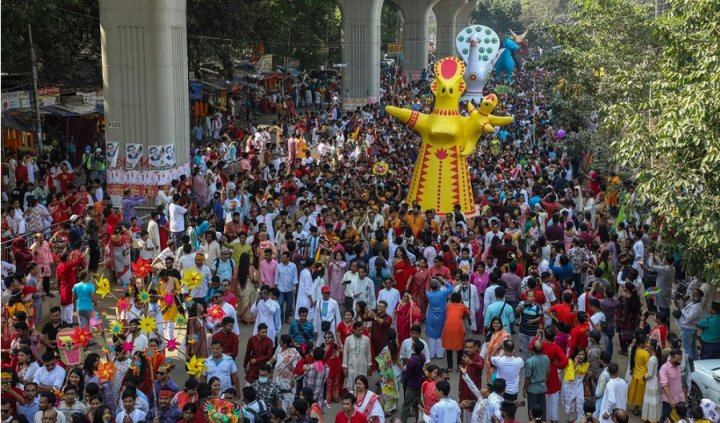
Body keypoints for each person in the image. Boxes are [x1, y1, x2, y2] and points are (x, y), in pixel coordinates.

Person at [425, 278, 453, 359]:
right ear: (439, 286)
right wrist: (443, 280)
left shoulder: (428, 294)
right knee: (440, 335)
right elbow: (451, 288)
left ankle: (431, 354)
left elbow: (427, 287)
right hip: (442, 316)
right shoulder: (443, 293)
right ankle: (440, 354)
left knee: (431, 335)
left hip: (431, 317)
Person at [442, 292, 470, 371]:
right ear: (460, 299)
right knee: (460, 348)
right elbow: (468, 313)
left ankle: (450, 367)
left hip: (448, 327)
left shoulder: (448, 306)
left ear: (451, 299)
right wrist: (462, 302)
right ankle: (459, 366)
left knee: (448, 348)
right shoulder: (462, 306)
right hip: (458, 327)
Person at [342, 322, 372, 394]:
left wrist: (369, 365)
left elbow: (368, 353)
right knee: (351, 384)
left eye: (362, 330)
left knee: (362, 383)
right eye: (359, 330)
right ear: (354, 330)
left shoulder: (366, 339)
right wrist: (344, 367)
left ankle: (361, 400)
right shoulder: (348, 339)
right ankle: (352, 400)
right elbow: (345, 353)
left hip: (362, 365)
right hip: (351, 365)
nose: (361, 331)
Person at [524, 340, 550, 420]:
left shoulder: (530, 361)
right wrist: (544, 381)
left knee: (532, 410)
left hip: (532, 389)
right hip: (542, 387)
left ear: (532, 349)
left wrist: (524, 388)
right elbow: (547, 372)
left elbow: (527, 377)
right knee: (542, 409)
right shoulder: (546, 358)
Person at [400, 340, 425, 422]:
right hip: (419, 383)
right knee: (417, 404)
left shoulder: (412, 361)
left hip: (412, 384)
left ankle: (403, 421)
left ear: (414, 348)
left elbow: (407, 374)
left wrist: (403, 368)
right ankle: (418, 420)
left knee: (406, 405)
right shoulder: (422, 356)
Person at [562, 348, 589, 423]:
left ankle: (580, 421)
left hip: (579, 387)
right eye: (580, 354)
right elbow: (570, 376)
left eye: (583, 354)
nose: (582, 356)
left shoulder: (585, 364)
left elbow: (584, 375)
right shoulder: (569, 362)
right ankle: (570, 420)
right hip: (569, 387)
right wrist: (575, 365)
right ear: (575, 355)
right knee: (569, 406)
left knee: (580, 405)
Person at [659, 349, 686, 423]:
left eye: (680, 360)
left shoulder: (677, 367)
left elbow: (679, 383)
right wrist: (671, 399)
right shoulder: (664, 368)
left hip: (680, 399)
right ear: (672, 357)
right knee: (665, 419)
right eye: (677, 359)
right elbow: (664, 385)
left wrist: (683, 397)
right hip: (669, 401)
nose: (679, 362)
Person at [676, 289, 704, 361]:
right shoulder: (694, 303)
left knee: (687, 349)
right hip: (689, 329)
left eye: (696, 295)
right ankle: (695, 363)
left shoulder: (696, 307)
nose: (693, 296)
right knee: (692, 347)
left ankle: (690, 365)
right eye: (693, 294)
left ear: (700, 297)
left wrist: (683, 310)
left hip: (688, 330)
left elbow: (688, 318)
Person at [484, 317, 511, 384]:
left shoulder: (504, 334)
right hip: (489, 358)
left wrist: (496, 358)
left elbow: (505, 348)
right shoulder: (490, 333)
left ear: (501, 324)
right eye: (494, 323)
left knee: (497, 377)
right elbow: (486, 344)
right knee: (490, 375)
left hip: (499, 359)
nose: (496, 325)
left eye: (498, 323)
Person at [627, 334, 649, 415]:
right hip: (642, 376)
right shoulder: (645, 353)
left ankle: (635, 407)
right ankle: (637, 409)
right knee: (640, 394)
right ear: (641, 344)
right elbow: (647, 365)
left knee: (635, 392)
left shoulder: (635, 350)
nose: (647, 343)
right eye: (646, 342)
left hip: (636, 374)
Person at [641, 339, 663, 423]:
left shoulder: (651, 360)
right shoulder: (656, 358)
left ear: (652, 347)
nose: (647, 344)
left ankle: (650, 418)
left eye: (648, 343)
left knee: (650, 399)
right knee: (654, 400)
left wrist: (644, 377)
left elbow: (649, 374)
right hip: (655, 380)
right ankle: (654, 417)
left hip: (651, 382)